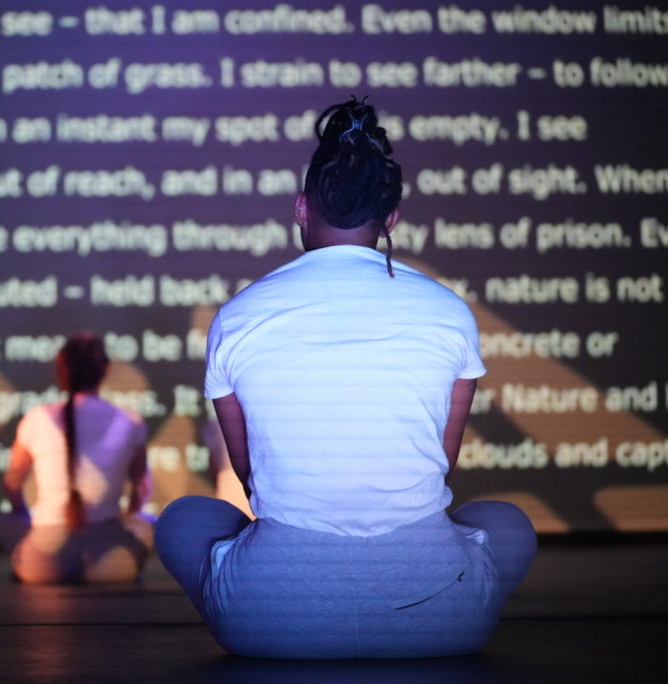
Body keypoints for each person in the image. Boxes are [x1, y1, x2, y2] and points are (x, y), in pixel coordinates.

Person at [155, 98, 536, 658]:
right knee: (506, 525)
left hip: (273, 621)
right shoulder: (448, 311)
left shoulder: (238, 315)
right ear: (392, 219)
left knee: (185, 521)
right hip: (439, 620)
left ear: (301, 208)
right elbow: (441, 459)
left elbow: (250, 474)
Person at [0, 333, 152, 584]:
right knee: (147, 522)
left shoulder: (37, 418)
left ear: (61, 372)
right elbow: (142, 490)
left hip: (44, 565)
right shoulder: (130, 420)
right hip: (113, 563)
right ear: (105, 371)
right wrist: (122, 525)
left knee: (6, 520)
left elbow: (12, 486)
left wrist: (30, 524)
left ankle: (30, 556)